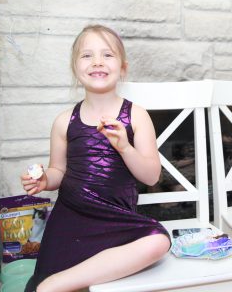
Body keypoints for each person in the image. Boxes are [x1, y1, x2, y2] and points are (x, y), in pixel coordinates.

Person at [21, 25, 170, 292]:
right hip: (71, 218)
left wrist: (125, 147)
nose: (97, 61)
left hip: (117, 221)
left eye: (107, 55)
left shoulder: (136, 116)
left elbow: (151, 177)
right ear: (75, 68)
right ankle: (61, 281)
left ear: (123, 68)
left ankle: (56, 284)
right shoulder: (64, 121)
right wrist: (45, 180)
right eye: (87, 55)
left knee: (159, 241)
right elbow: (58, 171)